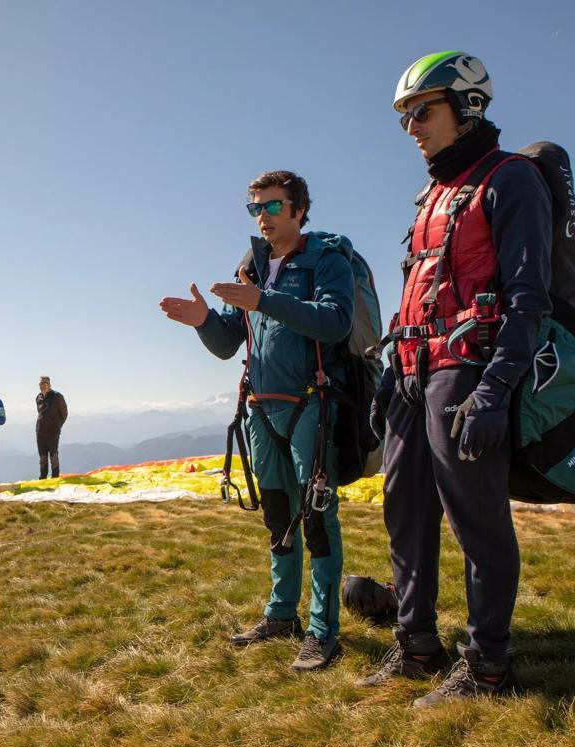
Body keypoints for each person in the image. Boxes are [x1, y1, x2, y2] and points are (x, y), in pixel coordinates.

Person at [363, 52, 552, 707]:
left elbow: (528, 297)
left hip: (465, 371)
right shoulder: (432, 196)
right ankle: (417, 645)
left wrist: (495, 389)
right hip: (412, 372)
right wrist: (389, 375)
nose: (411, 127)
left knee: (478, 523)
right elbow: (417, 290)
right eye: (404, 118)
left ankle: (488, 667)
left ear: (468, 105)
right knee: (404, 513)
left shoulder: (510, 179)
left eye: (422, 111)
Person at [160, 171, 355, 671]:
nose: (262, 217)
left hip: (312, 404)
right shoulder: (252, 266)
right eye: (255, 208)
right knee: (276, 514)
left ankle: (322, 631)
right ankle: (281, 614)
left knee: (316, 518)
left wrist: (264, 300)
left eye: (271, 206)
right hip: (260, 409)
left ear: (298, 209)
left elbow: (336, 322)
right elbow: (230, 342)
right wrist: (204, 321)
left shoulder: (327, 259)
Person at [35, 376, 68, 479]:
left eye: (45, 383)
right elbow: (40, 413)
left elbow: (64, 413)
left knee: (53, 456)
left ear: (49, 385)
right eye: (41, 383)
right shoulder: (38, 398)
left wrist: (57, 426)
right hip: (40, 432)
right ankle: (43, 478)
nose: (43, 385)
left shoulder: (57, 396)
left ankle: (55, 478)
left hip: (53, 432)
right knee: (42, 457)